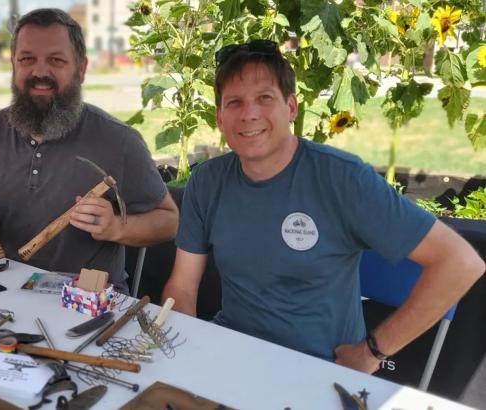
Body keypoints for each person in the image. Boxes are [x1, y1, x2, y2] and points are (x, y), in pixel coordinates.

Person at [161, 40, 485, 373]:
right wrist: (187, 348)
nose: (249, 114)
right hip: (233, 352)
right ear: (219, 117)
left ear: (291, 107)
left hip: (320, 368)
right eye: (234, 102)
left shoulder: (343, 178)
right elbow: (182, 286)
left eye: (264, 98)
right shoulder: (207, 181)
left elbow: (460, 263)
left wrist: (372, 352)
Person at [0, 9, 178, 293]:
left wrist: (117, 227)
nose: (40, 72)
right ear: (13, 65)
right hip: (7, 290)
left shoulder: (120, 141)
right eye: (27, 59)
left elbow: (169, 221)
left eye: (56, 60)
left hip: (89, 300)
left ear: (81, 68)